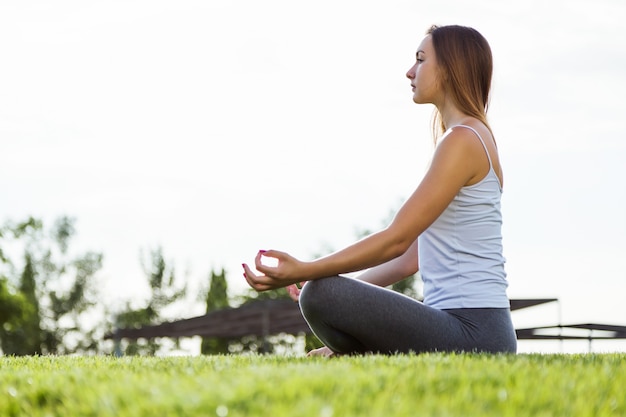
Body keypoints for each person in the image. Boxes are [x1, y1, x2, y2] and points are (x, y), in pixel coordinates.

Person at [242, 24, 517, 356]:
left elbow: (396, 239)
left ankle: (349, 351)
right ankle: (347, 351)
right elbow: (411, 256)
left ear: (449, 68)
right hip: (471, 329)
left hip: (475, 333)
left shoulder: (463, 140)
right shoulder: (468, 137)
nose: (409, 71)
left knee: (320, 293)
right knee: (323, 292)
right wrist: (348, 296)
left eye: (421, 60)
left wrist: (307, 270)